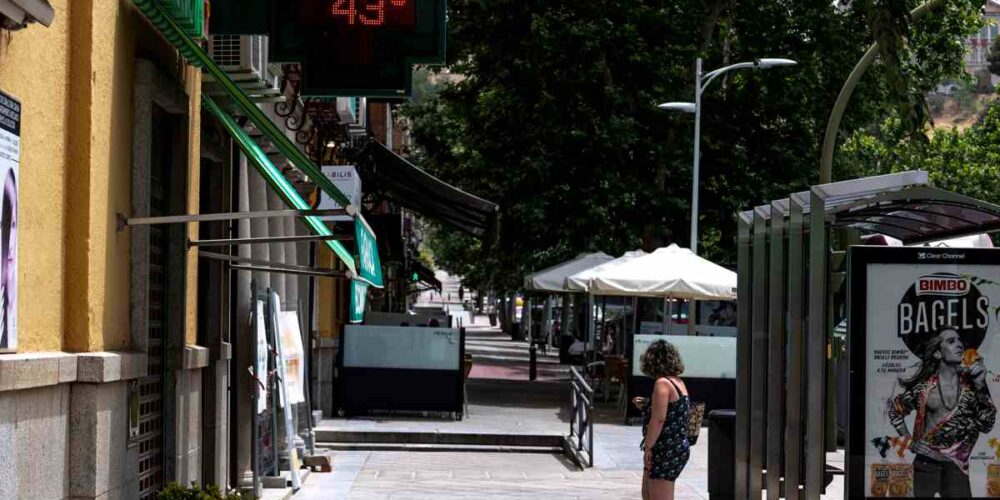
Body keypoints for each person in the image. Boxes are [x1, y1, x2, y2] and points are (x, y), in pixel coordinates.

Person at [888, 327, 996, 497]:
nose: (959, 345)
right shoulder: (924, 388)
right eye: (951, 341)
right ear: (938, 354)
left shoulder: (973, 386)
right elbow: (895, 410)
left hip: (957, 468)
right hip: (925, 466)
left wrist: (981, 384)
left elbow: (987, 424)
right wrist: (910, 442)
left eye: (960, 340)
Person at [632, 340, 690, 500]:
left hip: (665, 448)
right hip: (675, 446)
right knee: (648, 494)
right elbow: (672, 410)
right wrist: (647, 404)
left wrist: (648, 448)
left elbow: (659, 419)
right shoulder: (677, 382)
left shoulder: (662, 383)